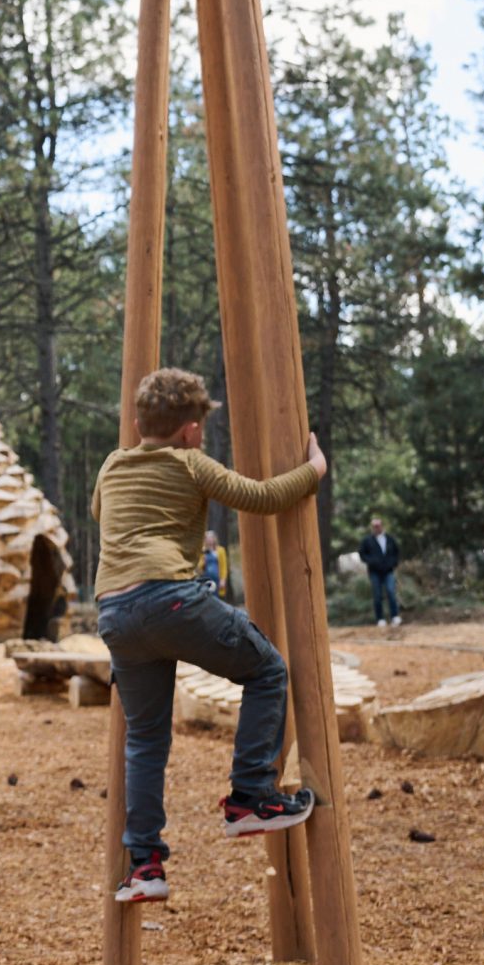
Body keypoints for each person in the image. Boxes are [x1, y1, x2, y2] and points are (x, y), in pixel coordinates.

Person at [91, 367, 328, 904]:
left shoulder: (111, 466)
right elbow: (263, 497)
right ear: (192, 431)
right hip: (168, 599)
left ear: (136, 422)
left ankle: (145, 866)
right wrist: (313, 469)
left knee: (146, 739)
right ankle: (251, 796)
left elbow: (100, 512)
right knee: (267, 671)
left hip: (114, 614)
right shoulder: (192, 464)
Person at [359, 515, 402, 627]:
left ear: (381, 526)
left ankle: (395, 616)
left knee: (391, 592)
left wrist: (393, 563)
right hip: (374, 572)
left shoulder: (390, 539)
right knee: (377, 595)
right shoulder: (367, 540)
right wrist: (372, 562)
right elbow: (362, 554)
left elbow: (397, 553)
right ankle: (380, 619)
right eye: (374, 526)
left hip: (388, 571)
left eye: (378, 526)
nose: (376, 528)